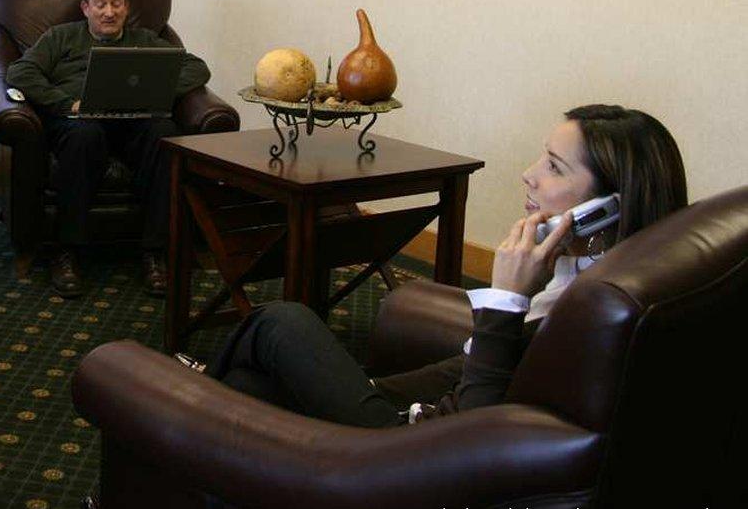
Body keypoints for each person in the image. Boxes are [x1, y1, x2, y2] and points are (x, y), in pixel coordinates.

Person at [200, 104, 688, 427]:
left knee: (281, 321)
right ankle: (198, 404)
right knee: (252, 387)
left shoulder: (591, 310)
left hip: (415, 454)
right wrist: (369, 388)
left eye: (555, 167)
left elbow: (477, 429)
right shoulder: (610, 277)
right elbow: (473, 367)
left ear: (608, 208)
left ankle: (185, 397)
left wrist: (508, 298)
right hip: (419, 419)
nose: (529, 175)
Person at [6, 0, 211, 299]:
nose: (109, 12)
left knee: (164, 132)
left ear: (126, 7)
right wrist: (65, 103)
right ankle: (68, 250)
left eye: (116, 3)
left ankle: (154, 251)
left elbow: (197, 68)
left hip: (134, 121)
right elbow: (19, 72)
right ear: (86, 8)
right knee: (84, 137)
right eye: (100, 4)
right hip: (78, 121)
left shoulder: (144, 40)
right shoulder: (61, 37)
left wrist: (157, 92)